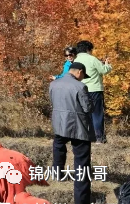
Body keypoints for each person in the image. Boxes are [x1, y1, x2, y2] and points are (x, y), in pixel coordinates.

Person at [49, 61, 94, 204]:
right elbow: (87, 108)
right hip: (77, 127)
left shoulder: (54, 84)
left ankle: (57, 173)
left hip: (59, 123)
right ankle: (81, 200)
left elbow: (53, 102)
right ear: (79, 72)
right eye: (83, 76)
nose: (82, 78)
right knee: (82, 162)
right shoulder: (80, 86)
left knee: (58, 146)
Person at [74, 40, 112, 144]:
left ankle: (87, 137)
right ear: (88, 49)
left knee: (85, 114)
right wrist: (107, 64)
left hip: (81, 89)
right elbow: (104, 70)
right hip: (94, 89)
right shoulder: (92, 59)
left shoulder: (76, 60)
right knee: (97, 114)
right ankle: (99, 138)